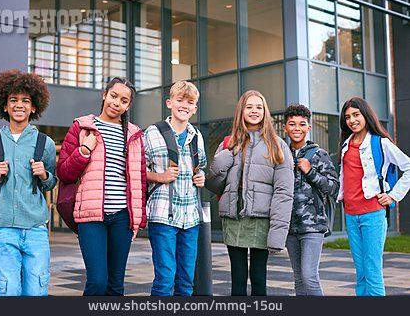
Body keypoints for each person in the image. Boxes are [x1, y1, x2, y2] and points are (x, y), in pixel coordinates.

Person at [57, 77, 146, 296]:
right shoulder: (82, 127)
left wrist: (137, 219)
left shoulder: (134, 134)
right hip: (91, 216)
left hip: (122, 218)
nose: (117, 103)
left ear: (128, 106)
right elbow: (64, 173)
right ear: (104, 94)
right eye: (114, 96)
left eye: (124, 100)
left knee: (116, 285)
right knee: (97, 281)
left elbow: (139, 179)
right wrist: (84, 151)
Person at [0, 69, 57, 296]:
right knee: (7, 291)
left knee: (37, 292)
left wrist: (44, 176)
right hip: (3, 230)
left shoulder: (45, 143)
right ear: (4, 106)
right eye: (13, 100)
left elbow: (51, 183)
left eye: (25, 101)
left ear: (34, 107)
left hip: (36, 230)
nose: (19, 105)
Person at [206, 90, 294, 296]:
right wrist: (223, 159)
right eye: (249, 107)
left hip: (261, 221)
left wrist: (277, 234)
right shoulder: (228, 143)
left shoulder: (277, 145)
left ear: (265, 112)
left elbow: (284, 192)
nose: (254, 111)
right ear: (241, 111)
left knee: (258, 278)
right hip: (234, 219)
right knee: (237, 278)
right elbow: (214, 186)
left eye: (259, 107)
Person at [338, 97, 410, 296]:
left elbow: (408, 166)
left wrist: (393, 196)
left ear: (366, 115)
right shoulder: (345, 145)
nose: (352, 120)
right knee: (360, 272)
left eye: (356, 115)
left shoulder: (380, 143)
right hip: (351, 215)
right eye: (347, 117)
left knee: (372, 271)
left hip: (372, 214)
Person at [143, 80, 206, 296]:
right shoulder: (152, 132)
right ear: (169, 102)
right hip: (163, 216)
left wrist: (202, 177)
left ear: (195, 108)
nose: (184, 105)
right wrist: (158, 176)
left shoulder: (197, 136)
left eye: (190, 102)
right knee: (165, 278)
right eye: (180, 100)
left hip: (191, 217)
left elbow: (201, 167)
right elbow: (136, 172)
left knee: (186, 280)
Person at [282, 104, 339, 296]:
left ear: (308, 128)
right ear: (285, 128)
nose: (297, 128)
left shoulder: (319, 154)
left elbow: (333, 187)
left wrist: (310, 171)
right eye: (292, 124)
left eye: (302, 124)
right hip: (289, 227)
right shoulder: (281, 155)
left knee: (309, 276)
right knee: (298, 279)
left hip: (313, 226)